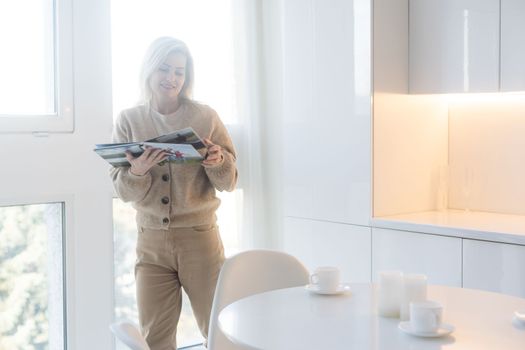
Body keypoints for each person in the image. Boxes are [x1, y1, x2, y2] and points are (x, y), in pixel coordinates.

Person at [110, 37, 237, 350]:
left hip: (199, 240)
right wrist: (138, 171)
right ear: (150, 71)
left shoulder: (206, 117)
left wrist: (217, 161)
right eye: (164, 69)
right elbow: (122, 190)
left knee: (219, 332)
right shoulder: (129, 119)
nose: (172, 77)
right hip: (150, 242)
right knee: (155, 339)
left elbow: (229, 180)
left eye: (179, 71)